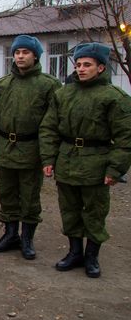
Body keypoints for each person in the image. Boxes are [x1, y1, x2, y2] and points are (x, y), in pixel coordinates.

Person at [40, 43, 131, 278]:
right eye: (78, 65)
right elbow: (49, 128)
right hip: (67, 159)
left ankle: (92, 257)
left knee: (94, 211)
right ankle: (74, 252)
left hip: (96, 162)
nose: (81, 69)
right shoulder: (63, 94)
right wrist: (48, 158)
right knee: (69, 209)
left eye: (87, 65)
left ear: (101, 67)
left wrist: (115, 169)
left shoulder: (114, 98)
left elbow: (125, 139)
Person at [0, 35, 61, 259]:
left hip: (31, 149)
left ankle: (27, 238)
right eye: (17, 52)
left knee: (29, 196)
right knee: (7, 193)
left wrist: (48, 155)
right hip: (5, 147)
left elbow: (54, 122)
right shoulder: (3, 84)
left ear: (35, 55)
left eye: (25, 52)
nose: (19, 56)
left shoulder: (48, 85)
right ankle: (10, 234)